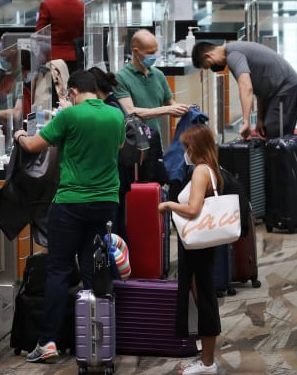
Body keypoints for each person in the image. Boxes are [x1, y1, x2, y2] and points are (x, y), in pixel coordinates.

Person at [13, 71, 125, 363]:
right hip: (106, 202)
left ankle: (48, 341)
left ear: (73, 91)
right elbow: (119, 146)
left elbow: (34, 146)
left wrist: (20, 134)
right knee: (94, 268)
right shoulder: (115, 115)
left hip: (71, 202)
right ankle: (95, 338)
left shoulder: (69, 117)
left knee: (59, 270)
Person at [158, 124, 223, 375]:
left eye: (187, 147)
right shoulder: (212, 170)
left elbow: (194, 209)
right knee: (203, 299)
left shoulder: (200, 172)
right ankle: (206, 360)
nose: (185, 151)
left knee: (204, 301)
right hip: (201, 245)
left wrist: (169, 205)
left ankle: (208, 363)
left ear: (196, 148)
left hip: (198, 247)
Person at [114, 29, 192, 182]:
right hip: (134, 147)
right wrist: (167, 109)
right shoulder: (121, 78)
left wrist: (184, 109)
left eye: (155, 52)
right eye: (150, 53)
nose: (154, 56)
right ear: (136, 51)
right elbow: (131, 112)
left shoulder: (158, 75)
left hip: (155, 144)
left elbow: (171, 105)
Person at [192, 40, 297, 140]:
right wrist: (260, 119)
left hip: (285, 89)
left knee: (276, 137)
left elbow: (246, 87)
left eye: (209, 66)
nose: (213, 69)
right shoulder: (233, 51)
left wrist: (246, 122)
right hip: (276, 90)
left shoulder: (233, 55)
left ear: (208, 55)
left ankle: (284, 161)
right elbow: (259, 88)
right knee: (268, 132)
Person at [88, 67, 132, 244]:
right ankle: (121, 267)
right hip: (120, 175)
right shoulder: (114, 104)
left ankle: (117, 268)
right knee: (118, 225)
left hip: (115, 175)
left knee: (113, 228)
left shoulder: (109, 109)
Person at [36, 0, 84, 74]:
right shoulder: (81, 6)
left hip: (54, 59)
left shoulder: (47, 6)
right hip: (75, 58)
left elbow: (40, 33)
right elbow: (82, 34)